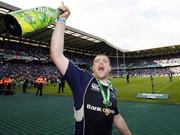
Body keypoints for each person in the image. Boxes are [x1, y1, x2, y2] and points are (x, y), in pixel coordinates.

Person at [50, 2, 132, 135]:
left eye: (105, 61)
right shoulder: (82, 79)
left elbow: (116, 116)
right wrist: (62, 19)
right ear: (92, 68)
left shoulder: (112, 90)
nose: (101, 63)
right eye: (97, 61)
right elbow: (57, 54)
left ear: (110, 68)